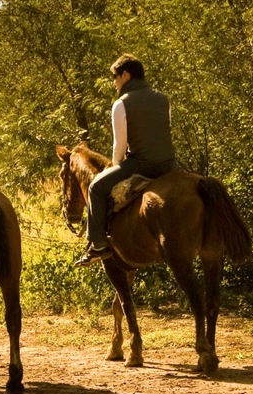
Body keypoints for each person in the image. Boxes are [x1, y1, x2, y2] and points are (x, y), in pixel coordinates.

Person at [76, 54, 178, 267]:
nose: (114, 82)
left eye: (115, 77)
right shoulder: (163, 98)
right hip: (169, 164)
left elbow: (119, 146)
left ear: (126, 75)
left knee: (95, 187)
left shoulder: (121, 104)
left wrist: (115, 165)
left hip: (141, 164)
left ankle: (97, 245)